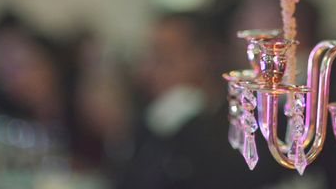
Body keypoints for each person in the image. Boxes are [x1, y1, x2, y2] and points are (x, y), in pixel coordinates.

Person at [115, 11, 281, 189]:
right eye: (150, 58)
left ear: (203, 56)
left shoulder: (245, 119)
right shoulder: (149, 115)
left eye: (165, 59)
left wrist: (191, 126)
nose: (150, 71)